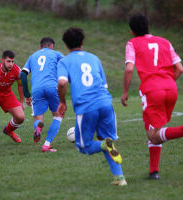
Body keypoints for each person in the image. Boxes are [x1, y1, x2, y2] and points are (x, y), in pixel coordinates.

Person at [121, 14, 183, 180]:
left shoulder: (132, 43)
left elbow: (129, 69)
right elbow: (179, 69)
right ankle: (154, 172)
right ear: (148, 27)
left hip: (152, 91)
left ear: (131, 30)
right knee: (153, 130)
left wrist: (124, 92)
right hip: (171, 88)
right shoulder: (165, 41)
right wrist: (167, 83)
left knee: (153, 134)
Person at [57, 27, 127, 186]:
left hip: (86, 107)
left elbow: (61, 82)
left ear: (66, 46)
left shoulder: (64, 61)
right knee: (107, 139)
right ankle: (119, 178)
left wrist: (62, 101)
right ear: (82, 42)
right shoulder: (94, 58)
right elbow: (104, 84)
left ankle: (104, 145)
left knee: (85, 147)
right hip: (105, 103)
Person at [21, 37, 64, 152]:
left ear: (40, 46)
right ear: (52, 46)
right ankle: (46, 144)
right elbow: (66, 67)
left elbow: (23, 75)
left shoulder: (32, 56)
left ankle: (38, 128)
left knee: (38, 117)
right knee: (58, 115)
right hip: (52, 87)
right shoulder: (56, 54)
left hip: (37, 89)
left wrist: (26, 94)